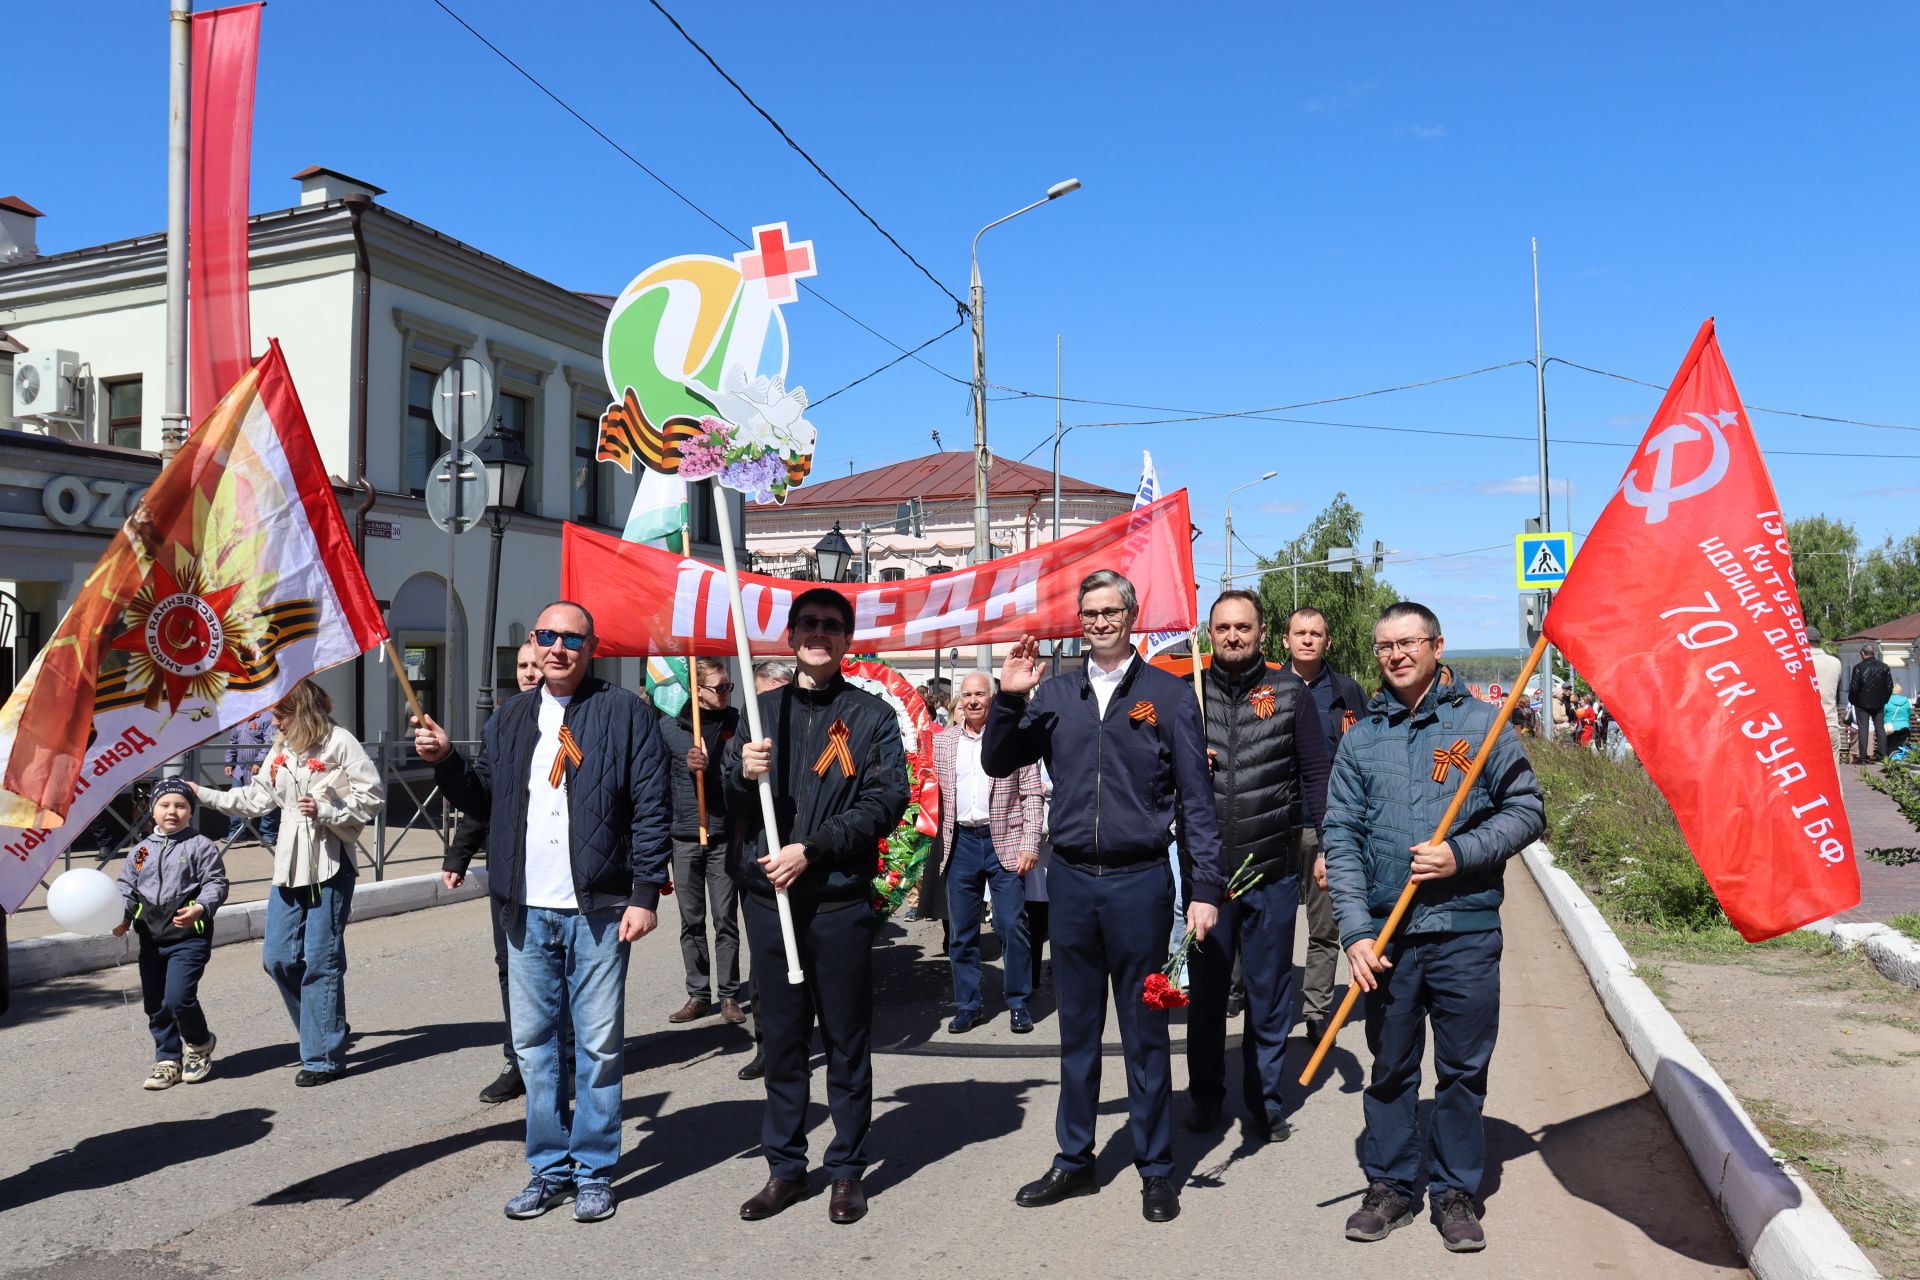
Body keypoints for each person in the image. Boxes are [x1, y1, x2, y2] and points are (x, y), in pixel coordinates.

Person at [415, 602, 672, 1225]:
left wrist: (643, 895)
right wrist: (446, 760)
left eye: (571, 640)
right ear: (534, 641)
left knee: (599, 1046)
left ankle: (593, 1170)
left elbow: (650, 807)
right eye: (548, 637)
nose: (558, 649)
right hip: (525, 910)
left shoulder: (627, 714)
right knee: (533, 1048)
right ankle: (548, 1169)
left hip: (601, 910)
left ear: (593, 647)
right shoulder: (510, 720)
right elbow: (483, 800)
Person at [985, 569, 1224, 1224]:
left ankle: (1154, 1166)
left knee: (1147, 1030)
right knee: (1078, 1030)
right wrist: (1009, 698)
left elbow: (1197, 804)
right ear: (1079, 620)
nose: (1098, 621)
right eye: (1088, 612)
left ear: (1132, 614)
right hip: (1071, 883)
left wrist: (1205, 887)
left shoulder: (1169, 697)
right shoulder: (1056, 692)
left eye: (1110, 610)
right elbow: (999, 761)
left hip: (1141, 883)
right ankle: (1074, 1159)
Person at [1323, 602, 1545, 1254]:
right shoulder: (1361, 738)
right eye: (1384, 645)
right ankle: (1391, 1186)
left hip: (1464, 931)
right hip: (1388, 941)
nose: (1395, 654)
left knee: (1461, 1070)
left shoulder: (1484, 723)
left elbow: (1526, 811)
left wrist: (1461, 854)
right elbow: (1342, 836)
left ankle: (1454, 1192)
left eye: (1407, 642)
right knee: (1391, 1069)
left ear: (1436, 645)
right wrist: (1357, 934)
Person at [728, 588, 910, 1225]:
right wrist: (737, 771)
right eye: (808, 623)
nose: (818, 634)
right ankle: (784, 1167)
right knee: (780, 1039)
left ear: (846, 639)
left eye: (831, 626)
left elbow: (886, 800)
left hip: (836, 902)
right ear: (789, 635)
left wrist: (814, 847)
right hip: (769, 903)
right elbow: (725, 804)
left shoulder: (872, 717)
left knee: (844, 1039)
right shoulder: (758, 712)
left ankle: (847, 1170)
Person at [1186, 591, 1331, 1140]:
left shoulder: (1290, 693)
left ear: (1262, 633)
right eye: (1222, 627)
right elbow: (1157, 778)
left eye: (1242, 627)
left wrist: (1331, 850)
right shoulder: (1188, 697)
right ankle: (1204, 1096)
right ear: (1209, 633)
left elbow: (1317, 776)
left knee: (1269, 998)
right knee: (1206, 997)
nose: (1232, 636)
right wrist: (1184, 764)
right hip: (1208, 880)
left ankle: (1263, 1099)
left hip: (1271, 872)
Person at [193, 680, 381, 1087]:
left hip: (329, 863)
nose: (272, 721)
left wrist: (328, 808)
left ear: (303, 710)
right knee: (276, 958)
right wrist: (201, 795)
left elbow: (373, 796)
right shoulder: (281, 747)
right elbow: (255, 799)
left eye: (280, 714)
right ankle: (326, 1025)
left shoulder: (340, 742)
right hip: (288, 866)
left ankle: (322, 1057)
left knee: (321, 959)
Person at [442, 640, 546, 1105]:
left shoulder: (575, 719)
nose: (527, 672)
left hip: (558, 869)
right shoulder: (501, 722)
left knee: (556, 970)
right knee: (510, 966)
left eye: (535, 664)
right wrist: (458, 855)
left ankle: (563, 1057)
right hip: (508, 868)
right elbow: (485, 797)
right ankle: (519, 1059)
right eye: (521, 665)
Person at [936, 672, 1045, 1035]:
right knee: (962, 932)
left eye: (979, 694)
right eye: (966, 695)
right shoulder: (944, 742)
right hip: (962, 844)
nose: (972, 701)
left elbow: (1033, 795)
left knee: (1013, 925)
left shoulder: (1013, 738)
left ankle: (1018, 1002)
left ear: (993, 697)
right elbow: (933, 796)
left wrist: (1030, 844)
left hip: (1006, 842)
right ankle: (968, 1005)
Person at [1280, 605, 1367, 1045]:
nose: (1308, 640)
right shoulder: (1268, 689)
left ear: (1327, 641)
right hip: (1273, 824)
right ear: (1286, 641)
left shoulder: (1348, 693)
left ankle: (1316, 1009)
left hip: (1325, 825)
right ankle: (1254, 997)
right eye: (1301, 632)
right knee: (1267, 921)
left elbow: (1365, 755)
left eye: (1316, 633)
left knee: (1324, 925)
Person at [114, 779, 228, 1089]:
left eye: (180, 805)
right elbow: (128, 886)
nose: (172, 811)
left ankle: (199, 1044)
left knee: (178, 997)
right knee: (155, 1003)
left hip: (188, 937)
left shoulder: (200, 845)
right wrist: (122, 916)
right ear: (153, 810)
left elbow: (216, 883)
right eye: (165, 805)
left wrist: (201, 908)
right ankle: (167, 1060)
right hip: (151, 938)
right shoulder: (140, 851)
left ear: (190, 811)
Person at [657, 658, 746, 1025]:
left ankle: (729, 996)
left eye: (729, 687)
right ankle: (698, 993)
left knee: (725, 918)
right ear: (697, 690)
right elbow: (657, 786)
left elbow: (743, 771)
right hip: (685, 835)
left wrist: (714, 765)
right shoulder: (671, 727)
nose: (726, 693)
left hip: (723, 834)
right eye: (719, 687)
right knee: (691, 920)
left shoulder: (736, 724)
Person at [222, 710, 277, 846]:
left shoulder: (267, 717)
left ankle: (268, 835)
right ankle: (237, 833)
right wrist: (229, 762)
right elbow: (232, 742)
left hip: (263, 770)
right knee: (235, 799)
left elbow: (270, 742)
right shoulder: (240, 718)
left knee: (266, 800)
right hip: (240, 770)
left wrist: (259, 762)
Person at [1806, 627, 1845, 767]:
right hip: (1830, 723)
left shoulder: (1799, 663)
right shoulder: (1835, 663)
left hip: (1807, 726)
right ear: (1819, 642)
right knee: (1834, 772)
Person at [1851, 644, 1894, 763]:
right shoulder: (1884, 667)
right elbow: (1890, 686)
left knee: (1863, 729)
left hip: (1861, 703)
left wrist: (1853, 701)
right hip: (1879, 703)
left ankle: (1863, 758)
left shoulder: (1858, 667)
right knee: (1880, 728)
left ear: (1863, 653)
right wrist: (1884, 699)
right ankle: (1883, 757)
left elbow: (1854, 687)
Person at [1888, 682, 1912, 755]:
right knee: (1901, 746)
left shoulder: (1887, 700)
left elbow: (1883, 712)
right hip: (1904, 726)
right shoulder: (1906, 700)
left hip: (1890, 727)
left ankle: (1890, 760)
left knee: (1891, 746)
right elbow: (1909, 713)